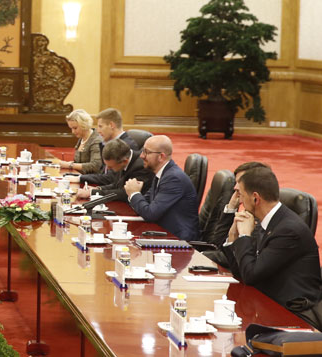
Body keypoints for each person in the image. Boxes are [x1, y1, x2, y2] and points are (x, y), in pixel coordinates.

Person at [222, 167, 322, 317]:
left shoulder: (288, 231)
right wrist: (232, 237)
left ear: (256, 198)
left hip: (293, 313)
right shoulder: (268, 221)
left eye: (241, 195)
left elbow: (251, 276)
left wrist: (244, 237)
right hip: (267, 303)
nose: (240, 201)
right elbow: (241, 273)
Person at [124, 135, 199, 241]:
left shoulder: (173, 178)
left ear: (161, 157)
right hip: (162, 233)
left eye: (146, 152)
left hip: (178, 241)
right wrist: (133, 194)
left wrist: (134, 193)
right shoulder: (163, 173)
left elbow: (150, 214)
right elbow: (145, 204)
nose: (141, 156)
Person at [76, 138, 153, 202]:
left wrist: (92, 193)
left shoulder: (141, 166)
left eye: (111, 167)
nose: (108, 169)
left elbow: (125, 193)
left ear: (125, 161)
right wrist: (99, 188)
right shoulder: (122, 159)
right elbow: (116, 184)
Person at [80, 108, 141, 186]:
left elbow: (110, 178)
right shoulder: (106, 143)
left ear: (111, 125)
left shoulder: (126, 146)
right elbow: (103, 172)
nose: (98, 130)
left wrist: (80, 178)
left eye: (100, 126)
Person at [58, 109, 102, 174]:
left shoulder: (96, 140)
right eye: (71, 128)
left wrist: (70, 165)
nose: (73, 132)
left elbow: (95, 166)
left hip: (92, 181)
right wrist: (69, 164)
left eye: (75, 128)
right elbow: (79, 162)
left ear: (84, 125)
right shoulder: (81, 138)